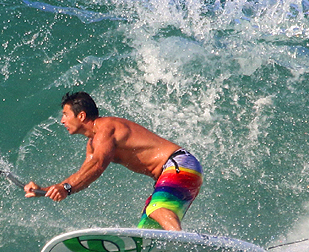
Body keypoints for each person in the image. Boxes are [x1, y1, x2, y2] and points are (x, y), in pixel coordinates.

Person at [23, 92, 203, 231]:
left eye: (65, 114)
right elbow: (84, 175)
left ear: (82, 116)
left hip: (178, 165)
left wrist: (66, 188)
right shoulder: (93, 143)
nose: (62, 120)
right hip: (176, 172)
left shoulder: (105, 128)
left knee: (156, 209)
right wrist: (45, 191)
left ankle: (182, 245)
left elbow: (98, 166)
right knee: (148, 228)